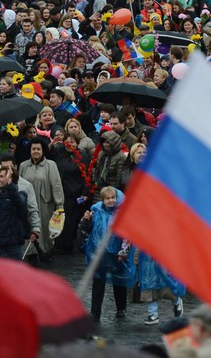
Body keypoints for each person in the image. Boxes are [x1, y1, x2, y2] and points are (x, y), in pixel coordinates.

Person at [81, 186, 135, 322]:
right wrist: (86, 220)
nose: (111, 201)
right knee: (98, 281)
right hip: (98, 253)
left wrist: (124, 251)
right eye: (107, 198)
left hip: (117, 252)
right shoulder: (96, 211)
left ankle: (121, 308)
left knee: (119, 280)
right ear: (102, 199)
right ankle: (95, 312)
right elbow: (85, 229)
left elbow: (128, 234)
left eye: (113, 198)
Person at [19, 136, 64, 262]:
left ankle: (46, 253)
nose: (36, 151)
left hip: (45, 204)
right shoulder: (23, 166)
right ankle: (31, 253)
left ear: (43, 150)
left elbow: (56, 185)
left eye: (39, 149)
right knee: (29, 228)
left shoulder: (51, 165)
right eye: (33, 149)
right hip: (28, 204)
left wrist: (59, 205)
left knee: (44, 231)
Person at [0, 163, 31, 260]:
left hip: (12, 248)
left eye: (2, 176)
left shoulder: (21, 195)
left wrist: (9, 185)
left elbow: (19, 204)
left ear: (10, 179)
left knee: (13, 275)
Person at [92, 130, 127, 199]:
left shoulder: (121, 157)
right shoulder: (101, 154)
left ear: (114, 143)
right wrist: (96, 182)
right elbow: (97, 170)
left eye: (108, 142)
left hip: (113, 191)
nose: (105, 144)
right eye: (104, 142)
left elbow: (119, 177)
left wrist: (112, 190)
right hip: (99, 188)